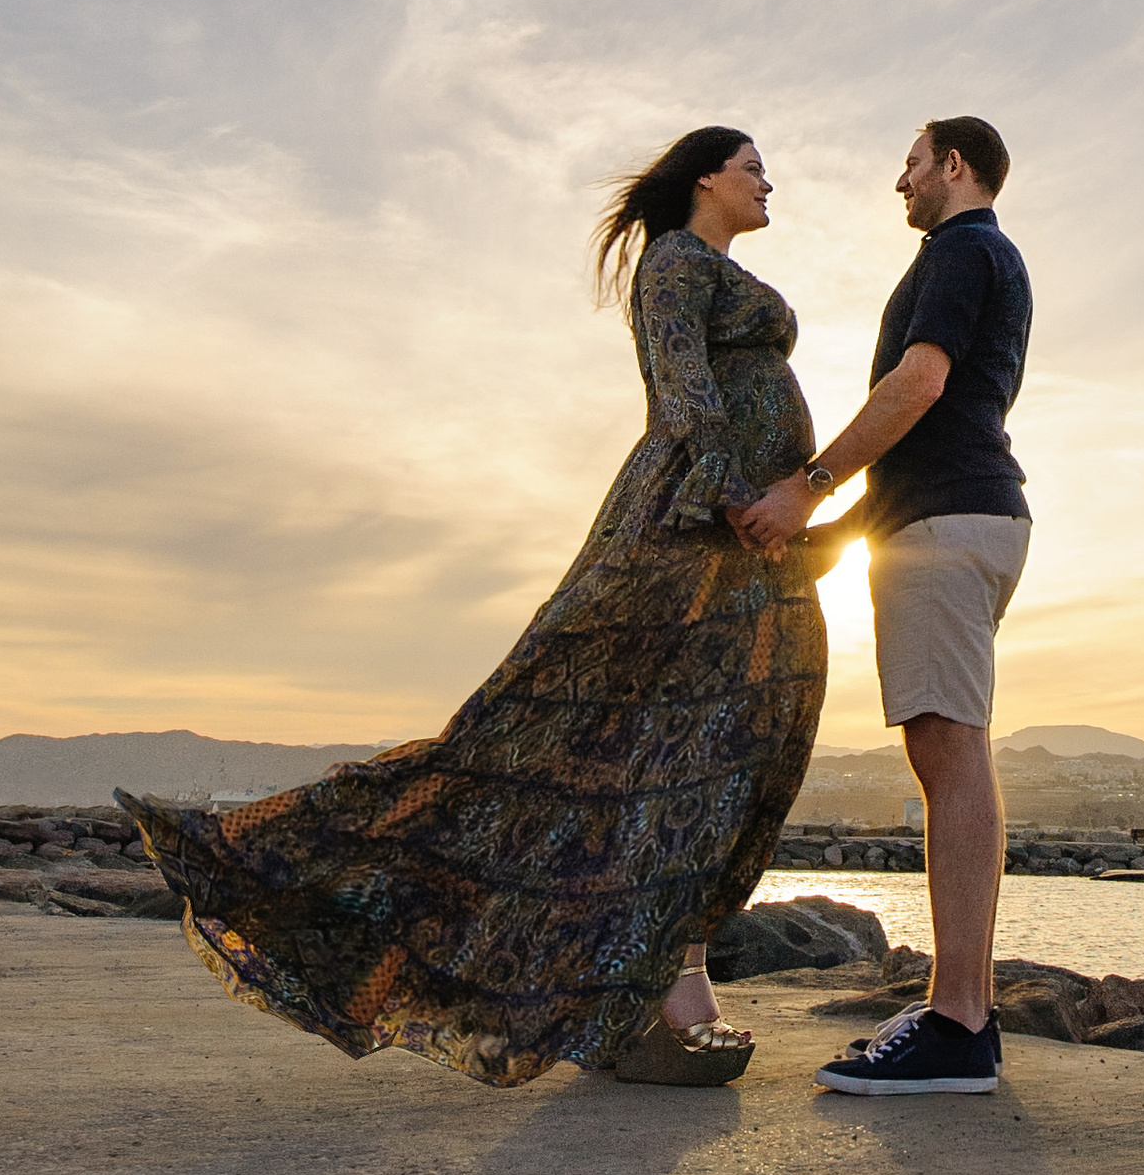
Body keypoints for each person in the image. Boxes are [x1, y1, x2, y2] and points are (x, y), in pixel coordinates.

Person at [122, 128, 830, 1087]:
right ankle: (642, 997)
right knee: (609, 746)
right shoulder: (673, 262)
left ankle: (649, 980)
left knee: (715, 755)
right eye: (752, 166)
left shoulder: (711, 267)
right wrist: (731, 500)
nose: (767, 180)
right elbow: (683, 395)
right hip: (696, 532)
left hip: (751, 543)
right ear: (705, 176)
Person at [736, 114, 1031, 1096]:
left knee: (949, 754)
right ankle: (967, 1014)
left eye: (909, 163)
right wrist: (840, 533)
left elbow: (917, 385)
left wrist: (803, 487)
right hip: (951, 520)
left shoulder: (961, 250)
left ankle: (955, 1025)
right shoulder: (983, 258)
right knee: (950, 751)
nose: (897, 182)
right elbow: (928, 437)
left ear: (953, 165)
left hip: (948, 532)